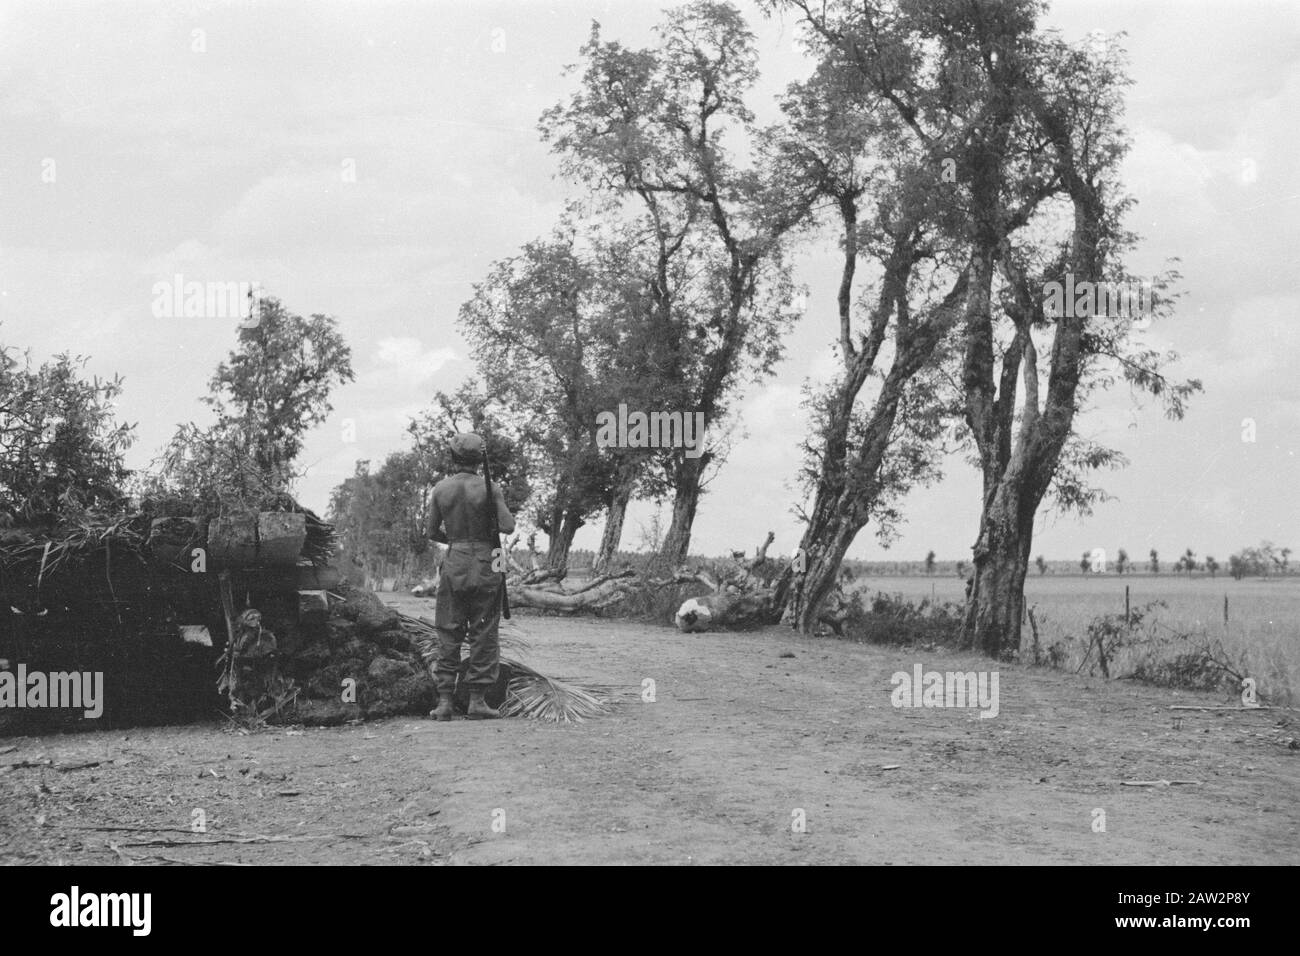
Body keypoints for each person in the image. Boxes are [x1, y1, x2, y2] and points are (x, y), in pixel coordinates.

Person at [424, 432, 515, 720]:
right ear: (480, 460)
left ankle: (444, 703)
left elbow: (430, 532)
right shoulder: (490, 488)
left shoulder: (441, 489)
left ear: (453, 457)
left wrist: (456, 538)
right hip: (487, 561)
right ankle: (477, 701)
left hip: (455, 560)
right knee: (484, 632)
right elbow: (508, 526)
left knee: (448, 631)